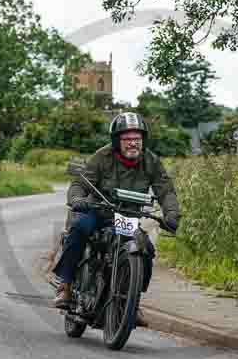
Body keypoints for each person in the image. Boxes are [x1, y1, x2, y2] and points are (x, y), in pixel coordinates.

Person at [51, 112, 181, 324]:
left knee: (145, 248)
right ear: (116, 141)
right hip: (98, 211)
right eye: (127, 139)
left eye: (137, 139)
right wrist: (77, 199)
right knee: (80, 227)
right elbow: (80, 183)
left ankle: (131, 302)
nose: (133, 144)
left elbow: (166, 191)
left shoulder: (151, 161)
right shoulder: (102, 157)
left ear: (143, 140)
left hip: (127, 216)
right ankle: (64, 285)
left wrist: (172, 215)